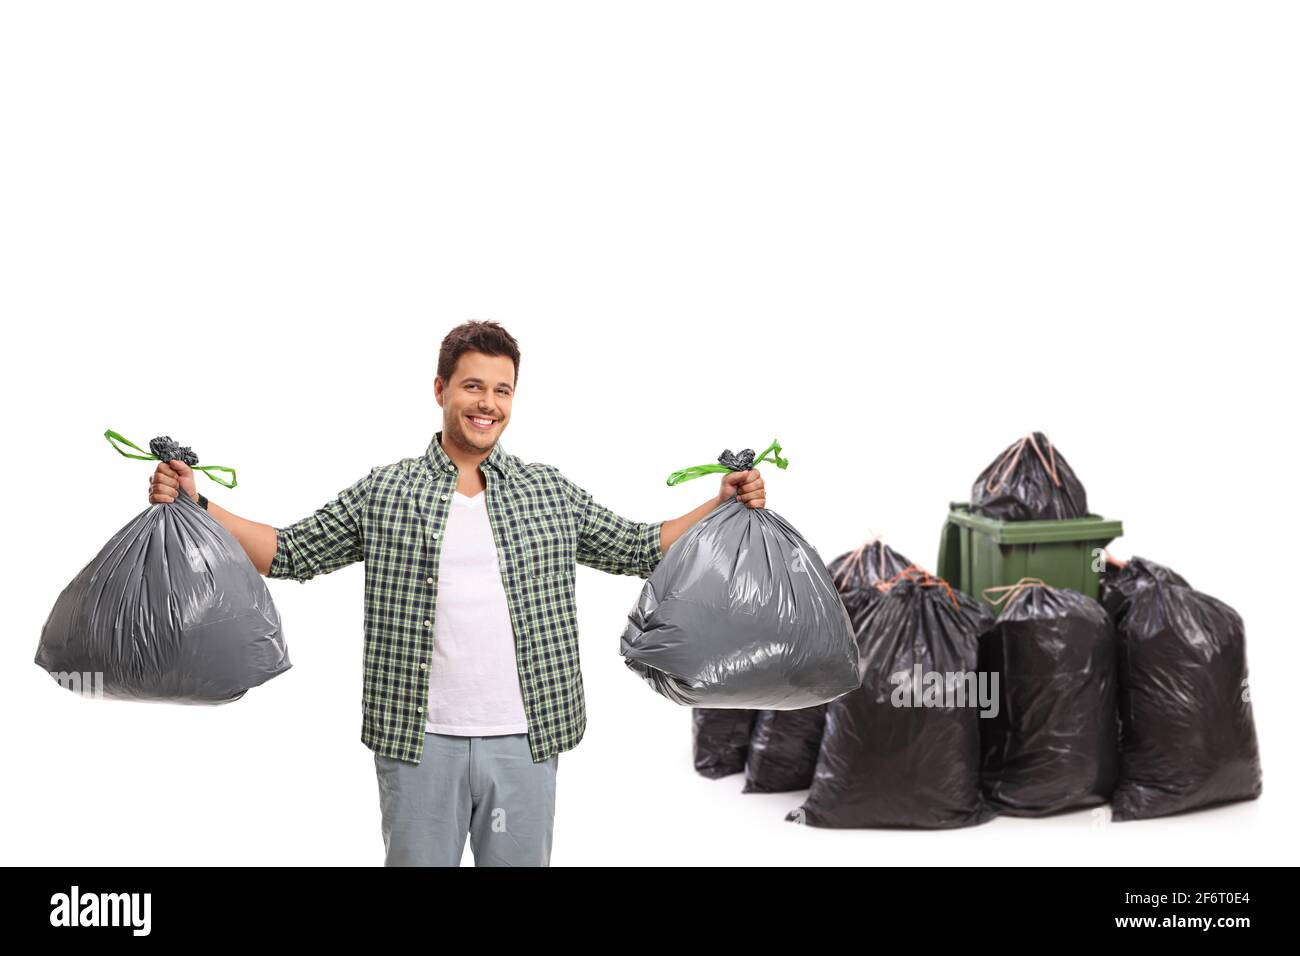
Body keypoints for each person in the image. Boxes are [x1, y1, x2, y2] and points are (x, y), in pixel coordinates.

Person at [147, 320, 766, 866]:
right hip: (416, 743)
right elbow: (290, 551)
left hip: (527, 739)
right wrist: (200, 505)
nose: (488, 404)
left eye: (502, 390)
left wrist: (719, 504)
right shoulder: (387, 490)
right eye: (474, 386)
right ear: (440, 390)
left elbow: (638, 546)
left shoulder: (547, 490)